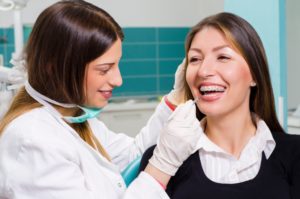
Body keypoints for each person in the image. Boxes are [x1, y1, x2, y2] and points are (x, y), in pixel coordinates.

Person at [0, 1, 202, 198]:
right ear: (54, 68)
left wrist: (176, 98)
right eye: (104, 69)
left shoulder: (75, 119)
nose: (118, 80)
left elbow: (133, 154)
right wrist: (162, 167)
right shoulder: (34, 141)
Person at [140, 12, 300, 199]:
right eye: (195, 59)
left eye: (223, 57)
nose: (204, 70)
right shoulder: (161, 161)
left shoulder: (294, 154)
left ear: (255, 75)